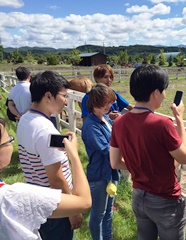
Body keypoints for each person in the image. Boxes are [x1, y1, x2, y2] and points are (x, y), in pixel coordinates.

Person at [110, 64, 186, 240]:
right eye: (164, 91)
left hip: (139, 196)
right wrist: (180, 119)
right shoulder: (162, 124)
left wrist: (140, 167)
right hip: (165, 200)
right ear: (155, 93)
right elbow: (185, 157)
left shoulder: (119, 123)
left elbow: (115, 162)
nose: (165, 95)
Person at [16, 71, 82, 240]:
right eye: (63, 95)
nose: (66, 101)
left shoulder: (25, 119)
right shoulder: (45, 130)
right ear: (48, 96)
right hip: (55, 204)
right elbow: (56, 179)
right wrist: (72, 210)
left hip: (38, 199)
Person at [0, 117, 92, 240]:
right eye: (9, 141)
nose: (11, 144)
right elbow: (84, 202)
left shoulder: (25, 120)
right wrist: (74, 155)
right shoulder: (14, 197)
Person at [81, 83, 119, 240]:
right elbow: (107, 149)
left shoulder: (104, 119)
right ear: (94, 102)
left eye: (110, 102)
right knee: (98, 214)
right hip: (99, 176)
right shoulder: (90, 126)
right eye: (105, 102)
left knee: (108, 211)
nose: (109, 105)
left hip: (109, 173)